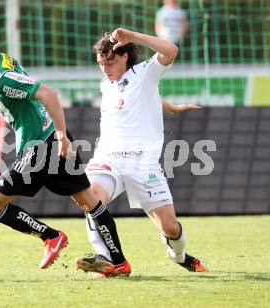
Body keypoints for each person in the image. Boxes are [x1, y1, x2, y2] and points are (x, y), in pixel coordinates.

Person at [0, 22, 130, 275]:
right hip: (51, 139)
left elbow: (48, 95)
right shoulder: (3, 64)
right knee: (90, 203)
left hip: (39, 147)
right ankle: (119, 262)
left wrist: (62, 137)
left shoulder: (4, 78)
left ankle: (50, 236)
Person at [75, 28, 208, 277]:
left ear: (125, 56)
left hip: (143, 164)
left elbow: (171, 51)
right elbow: (139, 99)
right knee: (90, 198)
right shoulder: (106, 84)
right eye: (101, 63)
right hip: (108, 158)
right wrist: (170, 107)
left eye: (110, 62)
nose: (105, 68)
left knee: (170, 228)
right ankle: (106, 257)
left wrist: (133, 36)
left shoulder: (145, 72)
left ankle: (177, 254)